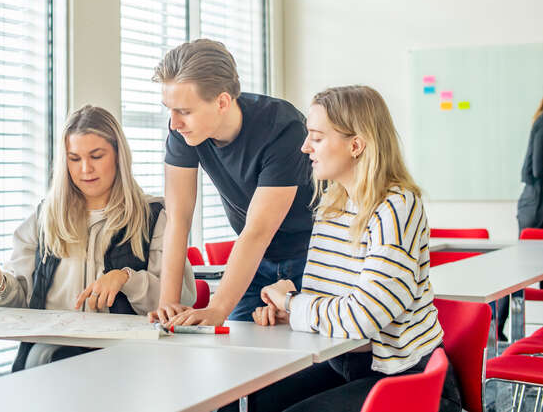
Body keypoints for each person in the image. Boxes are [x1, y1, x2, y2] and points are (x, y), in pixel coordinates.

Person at [237, 85, 461, 412]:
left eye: (316, 137)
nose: (304, 147)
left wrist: (293, 302)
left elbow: (363, 317)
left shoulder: (397, 207)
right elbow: (331, 304)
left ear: (355, 145)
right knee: (246, 402)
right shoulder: (333, 204)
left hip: (406, 377)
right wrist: (289, 310)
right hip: (343, 364)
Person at [0, 105, 196, 370]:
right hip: (47, 362)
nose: (85, 169)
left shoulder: (154, 217)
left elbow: (181, 299)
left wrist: (126, 278)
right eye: (74, 159)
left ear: (118, 156)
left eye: (96, 156)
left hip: (127, 365)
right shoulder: (44, 218)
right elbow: (21, 301)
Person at [150, 39, 314, 326]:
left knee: (302, 357)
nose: (174, 122)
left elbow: (258, 231)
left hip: (310, 256)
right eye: (169, 109)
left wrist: (217, 309)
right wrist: (168, 304)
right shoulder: (184, 131)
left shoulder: (283, 128)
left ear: (222, 102)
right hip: (252, 262)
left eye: (184, 111)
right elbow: (178, 219)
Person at [496, 96, 543, 339]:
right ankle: (496, 326)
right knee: (518, 271)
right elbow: (537, 168)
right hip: (535, 207)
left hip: (536, 204)